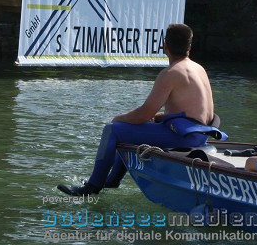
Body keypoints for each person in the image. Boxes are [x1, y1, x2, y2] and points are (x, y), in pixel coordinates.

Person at [57, 23, 216, 196]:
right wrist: (159, 117)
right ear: (189, 47)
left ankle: (92, 187)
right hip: (201, 136)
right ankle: (111, 180)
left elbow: (143, 114)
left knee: (113, 130)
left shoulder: (170, 73)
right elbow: (193, 113)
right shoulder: (199, 69)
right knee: (131, 129)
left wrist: (119, 117)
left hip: (186, 138)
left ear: (165, 46)